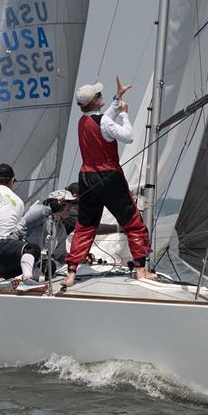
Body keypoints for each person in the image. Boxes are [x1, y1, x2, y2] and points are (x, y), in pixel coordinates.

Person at [62, 76, 155, 287]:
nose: (101, 96)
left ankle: (71, 273)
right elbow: (127, 136)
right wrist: (124, 115)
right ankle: (141, 270)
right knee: (134, 223)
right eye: (99, 95)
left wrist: (117, 97)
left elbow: (104, 121)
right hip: (109, 176)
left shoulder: (84, 120)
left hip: (86, 177)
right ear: (95, 102)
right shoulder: (103, 121)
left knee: (85, 226)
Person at [11, 189, 76, 269]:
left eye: (71, 203)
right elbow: (29, 220)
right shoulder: (39, 214)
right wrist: (51, 209)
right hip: (21, 265)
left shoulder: (60, 228)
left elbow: (61, 255)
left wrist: (77, 259)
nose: (70, 206)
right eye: (66, 203)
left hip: (41, 269)